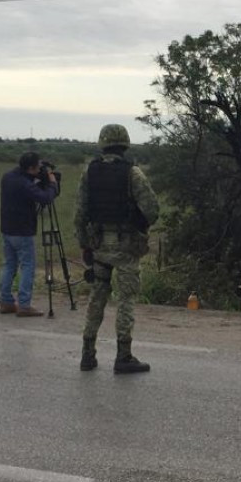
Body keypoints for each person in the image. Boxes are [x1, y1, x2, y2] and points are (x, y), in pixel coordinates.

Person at [74, 124, 159, 374]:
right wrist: (138, 225)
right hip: (126, 247)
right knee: (125, 299)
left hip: (99, 245)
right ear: (124, 145)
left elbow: (80, 213)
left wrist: (84, 245)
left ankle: (87, 355)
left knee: (97, 298)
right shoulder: (133, 173)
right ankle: (123, 355)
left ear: (103, 144)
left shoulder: (89, 172)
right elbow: (152, 209)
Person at [0, 152, 57, 317]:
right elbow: (45, 198)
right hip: (22, 231)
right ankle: (24, 305)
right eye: (38, 167)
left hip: (7, 229)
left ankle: (6, 302)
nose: (40, 170)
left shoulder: (8, 177)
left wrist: (37, 179)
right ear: (31, 168)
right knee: (27, 266)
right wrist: (52, 183)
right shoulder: (24, 184)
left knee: (9, 265)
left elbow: (29, 188)